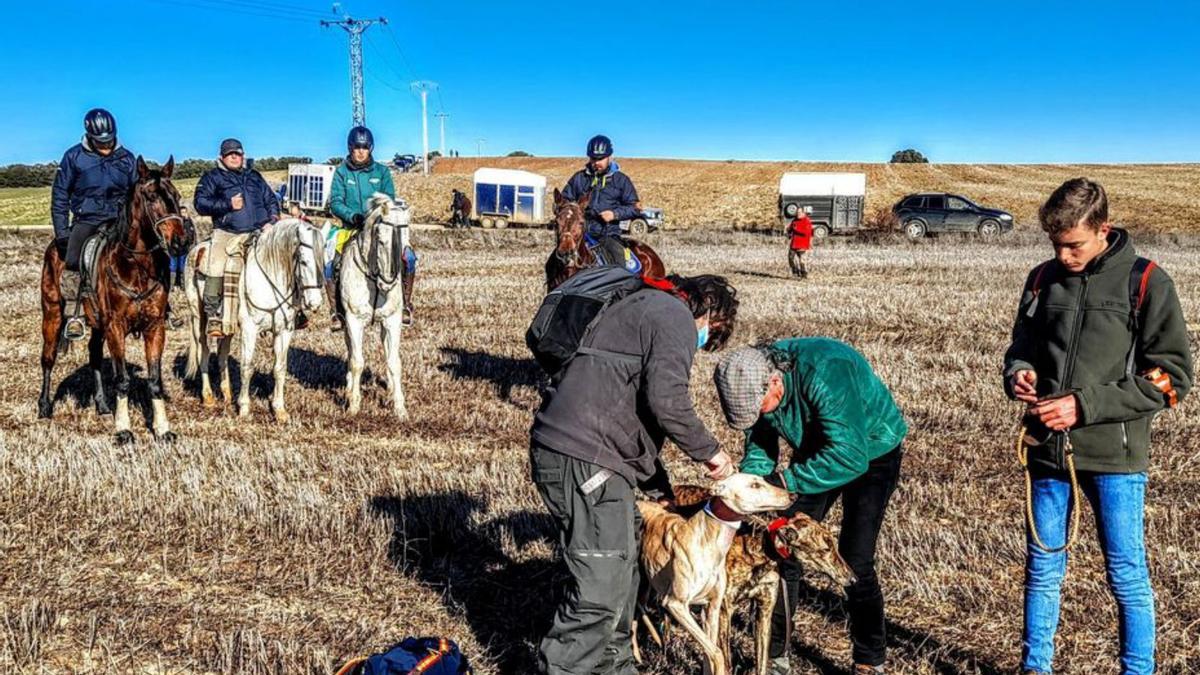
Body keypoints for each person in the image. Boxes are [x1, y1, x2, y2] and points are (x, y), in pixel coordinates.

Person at [1003, 178, 1192, 675]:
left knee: (1126, 574)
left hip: (1116, 456)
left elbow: (1170, 380)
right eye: (1055, 244)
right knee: (1042, 569)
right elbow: (1022, 343)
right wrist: (1018, 372)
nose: (1063, 255)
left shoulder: (1148, 281)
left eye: (1074, 245)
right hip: (1047, 448)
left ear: (1103, 229)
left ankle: (1138, 670)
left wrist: (1083, 406)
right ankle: (1034, 668)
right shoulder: (1041, 278)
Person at [529, 273, 740, 675]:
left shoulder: (639, 307)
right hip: (586, 459)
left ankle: (616, 667)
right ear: (708, 312)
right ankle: (565, 667)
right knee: (600, 588)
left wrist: (658, 485)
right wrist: (712, 455)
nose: (701, 343)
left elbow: (630, 409)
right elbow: (667, 401)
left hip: (582, 454)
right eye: (708, 334)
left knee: (624, 574)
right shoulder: (675, 316)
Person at [713, 339, 909, 675]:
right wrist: (752, 489)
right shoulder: (754, 380)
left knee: (854, 557)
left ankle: (869, 658)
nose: (759, 415)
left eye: (760, 408)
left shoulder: (826, 372)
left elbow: (850, 455)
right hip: (815, 451)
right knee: (781, 548)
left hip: (871, 453)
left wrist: (785, 482)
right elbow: (761, 447)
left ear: (775, 383)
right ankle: (775, 656)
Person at [51, 108, 138, 341]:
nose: (106, 145)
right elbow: (60, 195)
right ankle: (74, 313)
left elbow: (136, 192)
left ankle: (159, 306)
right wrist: (62, 232)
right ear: (89, 135)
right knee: (72, 259)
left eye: (109, 140)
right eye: (101, 141)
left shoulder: (127, 158)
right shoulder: (73, 157)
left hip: (119, 221)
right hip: (87, 219)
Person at [329, 126, 418, 329]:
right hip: (351, 228)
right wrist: (353, 216)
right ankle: (337, 312)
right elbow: (335, 201)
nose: (361, 151)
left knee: (409, 258)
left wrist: (374, 218)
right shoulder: (342, 172)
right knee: (330, 263)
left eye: (365, 147)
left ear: (371, 148)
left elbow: (390, 200)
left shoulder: (382, 171)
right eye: (357, 146)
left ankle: (405, 304)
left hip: (381, 229)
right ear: (350, 147)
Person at [193, 138, 280, 337]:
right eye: (230, 154)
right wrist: (227, 204)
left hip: (259, 232)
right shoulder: (212, 177)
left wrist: (273, 219)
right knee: (216, 263)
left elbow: (271, 200)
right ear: (221, 157)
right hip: (227, 232)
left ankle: (289, 309)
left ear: (243, 155)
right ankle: (214, 314)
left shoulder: (255, 176)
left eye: (238, 153)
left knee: (283, 259)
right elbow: (200, 203)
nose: (234, 157)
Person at [561, 134, 641, 270]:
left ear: (610, 157)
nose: (596, 163)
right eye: (593, 158)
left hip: (608, 235)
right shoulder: (579, 178)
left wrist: (614, 214)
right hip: (581, 235)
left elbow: (635, 208)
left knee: (624, 270)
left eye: (600, 159)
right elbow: (565, 202)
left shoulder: (621, 180)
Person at [787, 209, 813, 278]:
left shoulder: (807, 221)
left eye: (799, 212)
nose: (798, 214)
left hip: (802, 244)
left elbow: (806, 232)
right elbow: (791, 228)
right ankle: (795, 272)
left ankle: (804, 274)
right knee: (790, 258)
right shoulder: (794, 220)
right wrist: (789, 232)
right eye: (797, 212)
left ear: (803, 213)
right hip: (794, 244)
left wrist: (796, 229)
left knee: (802, 260)